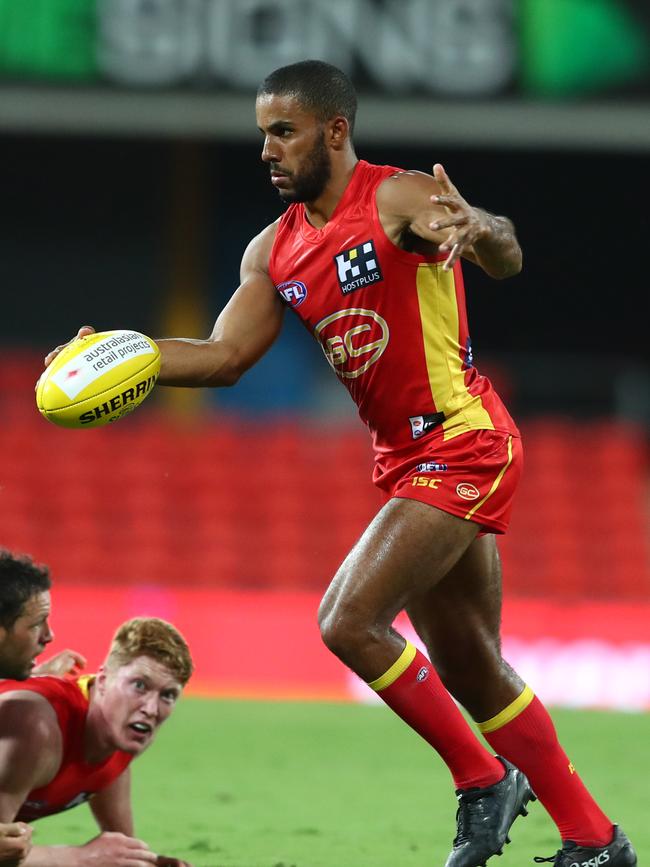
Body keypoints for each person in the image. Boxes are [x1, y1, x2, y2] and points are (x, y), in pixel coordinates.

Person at [44, 61, 636, 867]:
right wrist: (126, 353)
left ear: (334, 130)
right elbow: (222, 358)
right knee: (470, 663)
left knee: (345, 619)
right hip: (404, 459)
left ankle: (482, 777)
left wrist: (483, 228)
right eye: (262, 133)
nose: (267, 149)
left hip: (464, 440)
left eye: (283, 131)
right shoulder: (276, 250)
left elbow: (506, 254)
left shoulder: (398, 198)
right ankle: (596, 839)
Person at [0, 616, 193, 867]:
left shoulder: (118, 737)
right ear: (102, 680)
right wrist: (80, 858)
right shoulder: (37, 727)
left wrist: (146, 862)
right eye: (139, 685)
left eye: (167, 695)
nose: (151, 709)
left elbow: (121, 850)